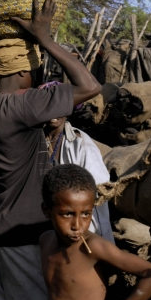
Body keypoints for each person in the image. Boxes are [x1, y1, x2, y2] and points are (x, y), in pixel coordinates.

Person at [0, 0, 101, 300]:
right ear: (26, 72)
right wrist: (45, 38)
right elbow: (90, 86)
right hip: (21, 235)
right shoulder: (24, 106)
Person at [40, 164, 151, 300]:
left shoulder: (93, 247)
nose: (77, 225)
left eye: (86, 214)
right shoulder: (46, 242)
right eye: (67, 214)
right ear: (46, 211)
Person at [42, 102, 114, 243]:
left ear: (68, 111)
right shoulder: (38, 140)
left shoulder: (81, 144)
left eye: (58, 107)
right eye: (48, 106)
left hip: (83, 226)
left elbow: (99, 187)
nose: (53, 113)